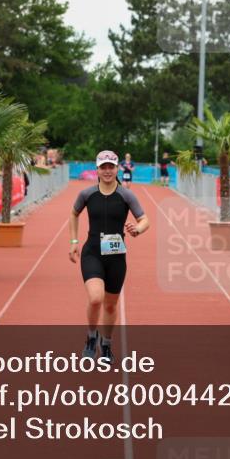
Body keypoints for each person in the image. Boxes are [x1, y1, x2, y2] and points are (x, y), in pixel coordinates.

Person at [69, 150, 149, 362]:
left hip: (116, 257)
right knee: (96, 298)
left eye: (110, 167)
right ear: (97, 169)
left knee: (111, 305)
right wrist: (74, 242)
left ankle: (106, 344)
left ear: (117, 169)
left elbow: (144, 219)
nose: (107, 171)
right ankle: (90, 337)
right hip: (92, 252)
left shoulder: (126, 195)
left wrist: (137, 229)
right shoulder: (87, 194)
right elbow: (74, 213)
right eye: (103, 167)